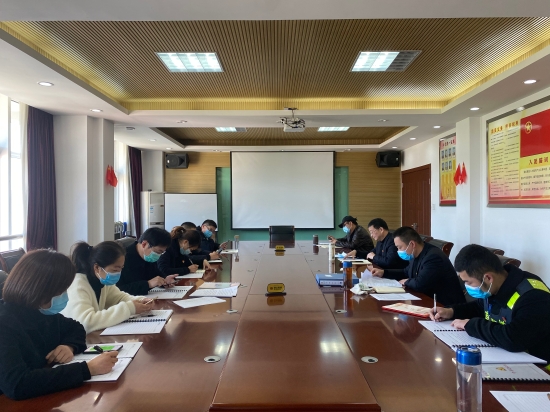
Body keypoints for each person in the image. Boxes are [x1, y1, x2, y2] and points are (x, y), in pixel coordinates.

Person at [0, 249, 118, 400]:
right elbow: (17, 384)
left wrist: (69, 346)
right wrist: (88, 369)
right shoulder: (5, 323)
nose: (65, 296)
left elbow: (75, 327)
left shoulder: (40, 312)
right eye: (61, 291)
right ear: (40, 290)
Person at [431, 244, 550, 362]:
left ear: (488, 278)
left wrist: (471, 325)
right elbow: (479, 307)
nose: (466, 286)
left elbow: (513, 339)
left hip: (539, 367)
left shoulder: (534, 296)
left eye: (468, 282)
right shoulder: (495, 286)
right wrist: (451, 311)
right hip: (507, 357)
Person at [62, 241, 153, 333]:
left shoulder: (102, 280)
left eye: (121, 269)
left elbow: (119, 298)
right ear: (97, 268)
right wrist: (130, 308)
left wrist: (141, 300)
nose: (118, 273)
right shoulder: (78, 285)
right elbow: (86, 322)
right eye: (115, 269)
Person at [371, 226, 465, 305]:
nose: (398, 251)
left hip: (446, 306)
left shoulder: (433, 257)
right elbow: (406, 271)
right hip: (428, 301)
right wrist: (384, 272)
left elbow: (420, 284)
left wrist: (407, 281)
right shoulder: (415, 253)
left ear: (412, 244)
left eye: (399, 247)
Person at [117, 227, 176, 296]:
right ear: (144, 244)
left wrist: (164, 280)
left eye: (162, 253)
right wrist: (148, 284)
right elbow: (118, 290)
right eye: (158, 252)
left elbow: (156, 275)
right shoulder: (121, 258)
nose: (158, 255)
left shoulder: (148, 257)